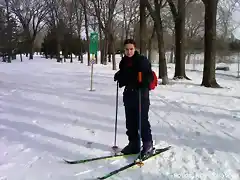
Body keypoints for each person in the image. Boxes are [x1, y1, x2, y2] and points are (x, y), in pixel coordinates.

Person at [114, 39, 154, 156]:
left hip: (141, 95)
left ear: (135, 49)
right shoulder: (124, 62)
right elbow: (125, 76)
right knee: (130, 122)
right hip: (129, 94)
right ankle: (134, 144)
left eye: (131, 49)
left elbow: (149, 76)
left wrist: (144, 81)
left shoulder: (141, 60)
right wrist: (119, 76)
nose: (129, 51)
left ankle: (148, 145)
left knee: (142, 121)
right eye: (127, 49)